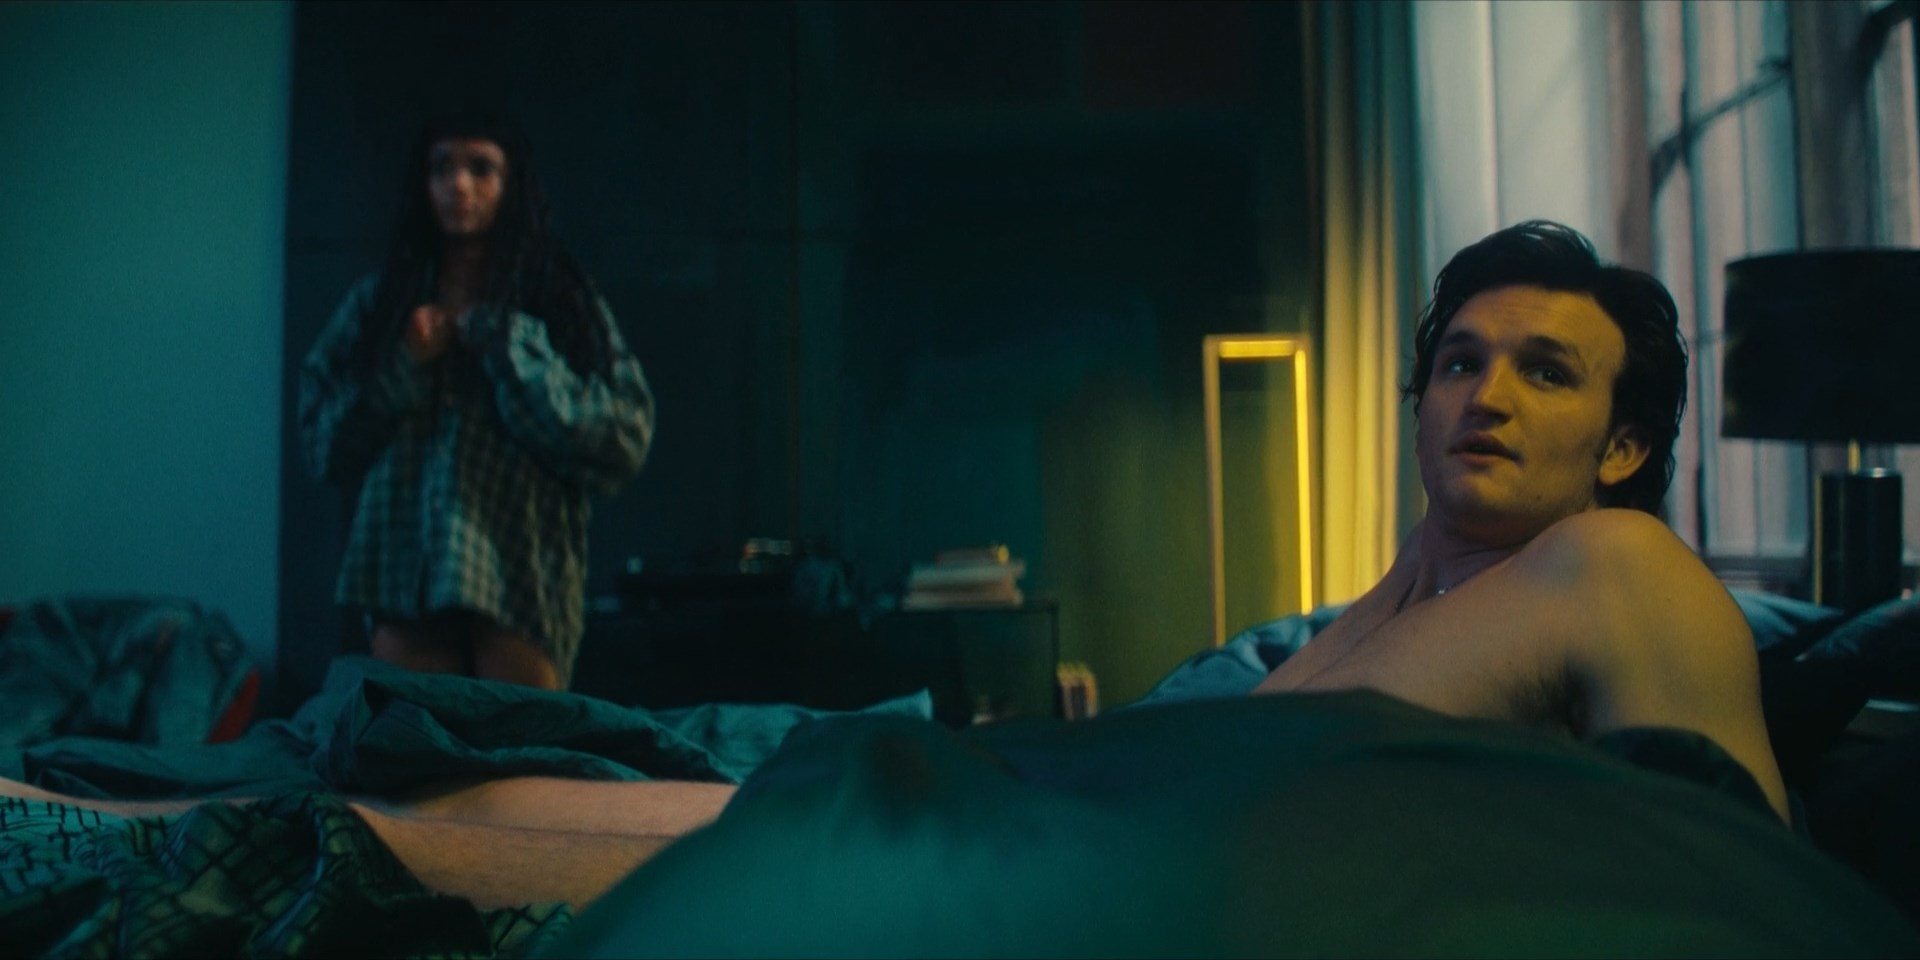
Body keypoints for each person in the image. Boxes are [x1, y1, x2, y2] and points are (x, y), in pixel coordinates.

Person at [1255, 220, 1791, 823]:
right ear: (1421, 415)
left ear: (1620, 450)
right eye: (1462, 365)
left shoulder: (1619, 560)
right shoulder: (1416, 569)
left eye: (1546, 373)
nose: (1486, 398)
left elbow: (1736, 862)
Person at [299, 111, 655, 691]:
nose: (458, 185)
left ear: (512, 184)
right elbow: (322, 444)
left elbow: (626, 432)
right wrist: (403, 366)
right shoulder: (379, 306)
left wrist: (512, 350)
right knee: (414, 742)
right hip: (404, 575)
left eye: (480, 168)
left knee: (522, 743)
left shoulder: (558, 302)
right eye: (442, 168)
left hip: (521, 577)